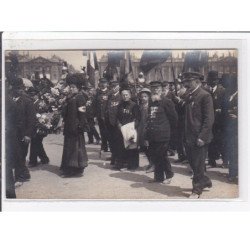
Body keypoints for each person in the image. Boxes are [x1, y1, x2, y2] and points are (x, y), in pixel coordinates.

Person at [182, 72, 214, 198]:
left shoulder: (205, 96)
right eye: (186, 81)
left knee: (198, 164)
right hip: (188, 136)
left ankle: (196, 190)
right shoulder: (188, 95)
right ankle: (205, 181)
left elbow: (209, 119)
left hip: (199, 137)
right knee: (193, 163)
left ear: (196, 82)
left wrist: (202, 136)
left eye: (189, 81)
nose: (186, 84)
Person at [146, 81, 178, 184]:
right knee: (155, 155)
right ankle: (158, 177)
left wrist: (169, 132)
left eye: (157, 89)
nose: (155, 91)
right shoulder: (151, 102)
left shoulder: (167, 102)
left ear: (161, 90)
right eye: (153, 89)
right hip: (153, 134)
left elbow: (174, 118)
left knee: (162, 155)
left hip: (163, 134)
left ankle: (169, 175)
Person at [60, 75, 88, 177]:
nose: (71, 89)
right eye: (70, 87)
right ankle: (69, 168)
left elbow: (82, 114)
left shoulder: (80, 97)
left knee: (76, 149)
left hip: (76, 128)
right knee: (69, 148)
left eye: (73, 87)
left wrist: (80, 126)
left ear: (78, 88)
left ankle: (74, 169)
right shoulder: (70, 97)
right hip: (69, 127)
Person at [11, 78, 36, 183]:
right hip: (15, 132)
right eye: (16, 88)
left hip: (24, 133)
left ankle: (20, 178)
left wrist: (28, 135)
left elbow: (31, 119)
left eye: (19, 88)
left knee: (21, 154)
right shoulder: (13, 99)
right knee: (18, 154)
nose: (18, 90)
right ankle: (25, 174)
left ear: (22, 88)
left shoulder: (27, 101)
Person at [116, 87, 140, 170]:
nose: (125, 96)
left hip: (131, 130)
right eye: (123, 95)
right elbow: (117, 117)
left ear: (130, 95)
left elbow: (137, 118)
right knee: (122, 147)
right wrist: (119, 124)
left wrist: (131, 127)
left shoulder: (134, 105)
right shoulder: (120, 105)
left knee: (132, 147)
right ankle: (123, 164)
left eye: (126, 95)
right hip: (122, 129)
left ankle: (133, 165)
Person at [206, 70, 226, 168]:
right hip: (210, 120)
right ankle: (212, 160)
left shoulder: (222, 90)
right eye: (211, 80)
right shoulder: (207, 90)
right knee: (211, 141)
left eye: (214, 80)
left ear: (217, 81)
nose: (212, 82)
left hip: (219, 121)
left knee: (220, 141)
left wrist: (220, 109)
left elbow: (225, 105)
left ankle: (225, 161)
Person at [105, 81, 122, 165]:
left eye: (115, 86)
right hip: (109, 122)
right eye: (112, 87)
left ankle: (118, 158)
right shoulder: (109, 97)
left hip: (117, 122)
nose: (113, 88)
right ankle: (113, 156)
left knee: (118, 141)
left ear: (118, 87)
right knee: (111, 140)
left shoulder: (121, 97)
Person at [137, 88, 154, 172]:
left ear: (149, 97)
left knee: (150, 147)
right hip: (141, 127)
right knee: (144, 147)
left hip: (148, 128)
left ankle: (153, 164)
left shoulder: (151, 106)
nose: (143, 98)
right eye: (142, 96)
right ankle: (150, 163)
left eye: (145, 96)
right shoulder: (140, 106)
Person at [93, 78, 110, 152]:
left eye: (104, 83)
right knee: (102, 132)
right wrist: (95, 115)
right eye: (101, 83)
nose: (103, 84)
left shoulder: (109, 93)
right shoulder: (97, 93)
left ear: (107, 84)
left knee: (108, 132)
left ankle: (110, 146)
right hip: (100, 116)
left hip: (107, 117)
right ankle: (104, 146)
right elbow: (95, 104)